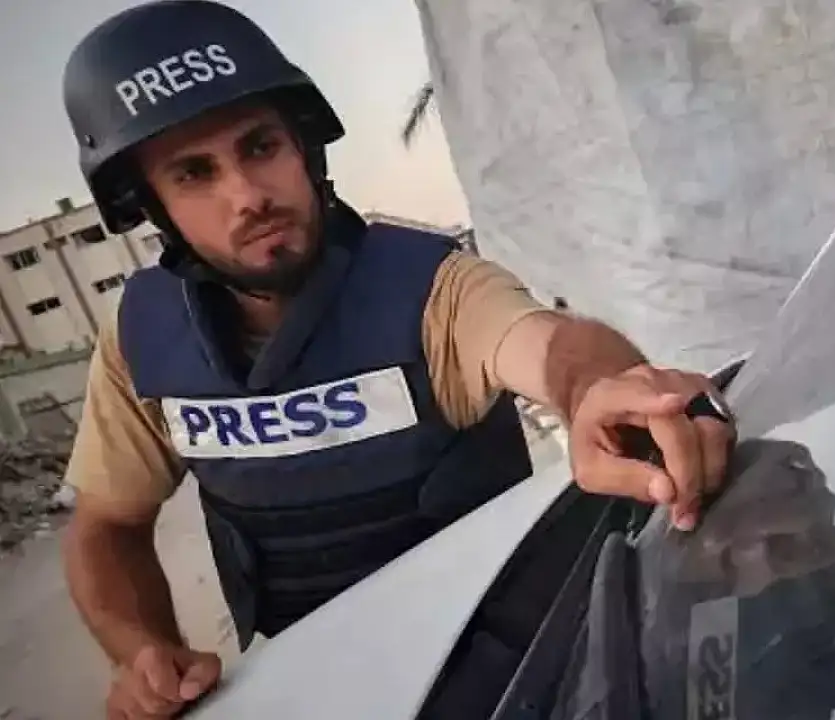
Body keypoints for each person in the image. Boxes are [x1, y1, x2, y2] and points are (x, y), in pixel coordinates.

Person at [58, 2, 735, 718]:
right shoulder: (141, 337)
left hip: (524, 675)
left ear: (304, 145)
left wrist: (605, 390)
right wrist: (142, 651)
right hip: (314, 691)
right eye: (194, 173)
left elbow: (552, 346)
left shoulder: (432, 289)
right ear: (152, 205)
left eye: (260, 146)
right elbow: (106, 527)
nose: (248, 195)